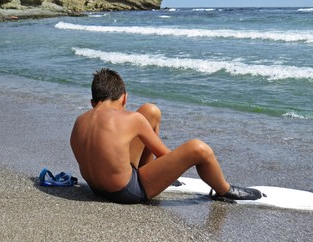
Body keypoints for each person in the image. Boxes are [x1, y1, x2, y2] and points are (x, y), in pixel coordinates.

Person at [70, 68, 264, 204]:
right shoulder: (131, 119)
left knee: (150, 111)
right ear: (124, 97)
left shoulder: (80, 121)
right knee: (199, 149)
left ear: (92, 101)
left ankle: (146, 170)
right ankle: (224, 190)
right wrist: (172, 169)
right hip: (125, 192)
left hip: (96, 188)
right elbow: (165, 155)